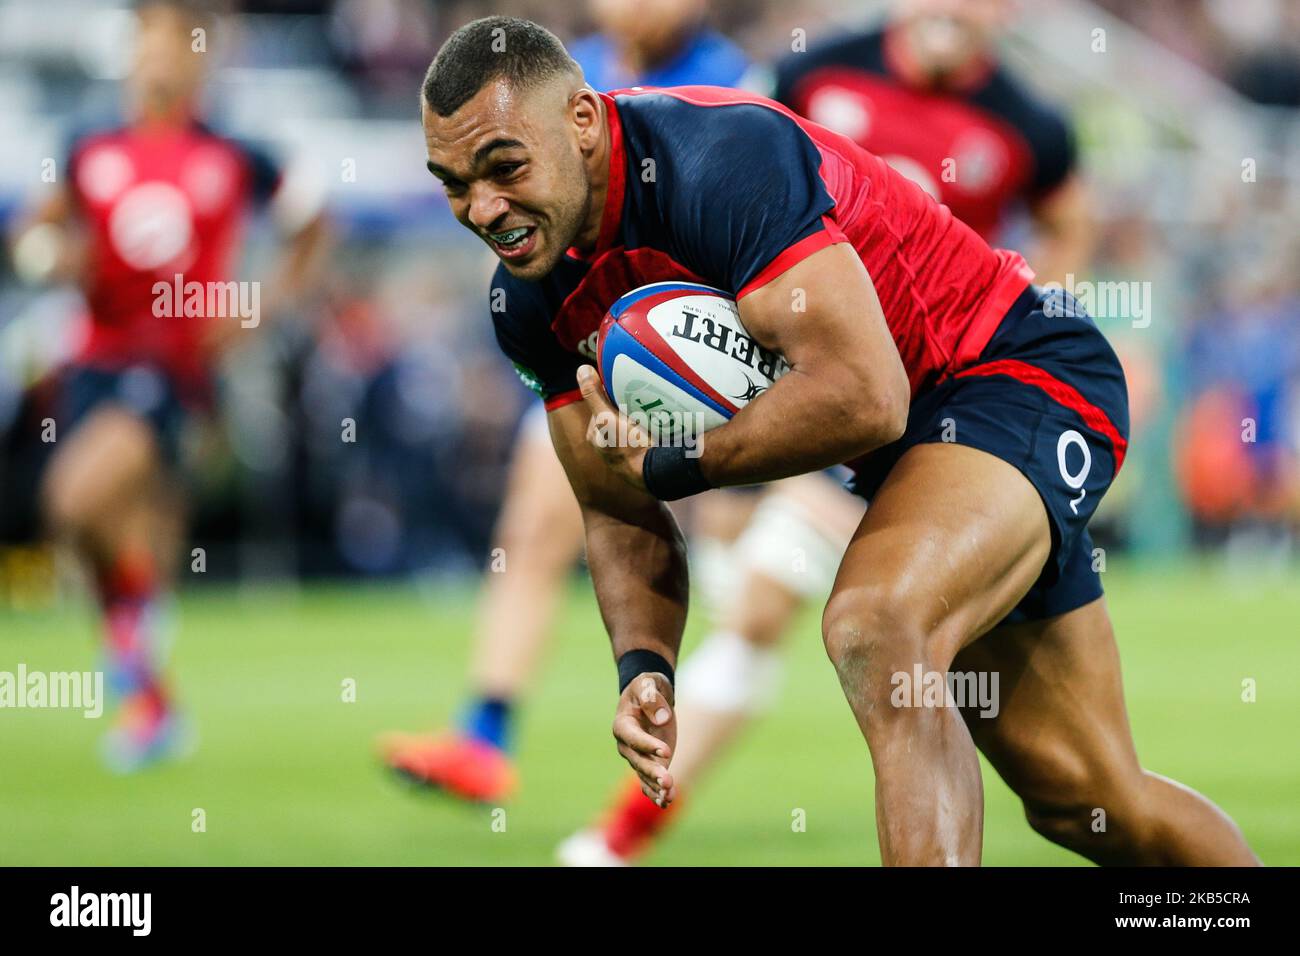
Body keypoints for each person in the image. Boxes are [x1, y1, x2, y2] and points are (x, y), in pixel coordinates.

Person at [418, 16, 1258, 865]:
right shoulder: (528, 300)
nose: (483, 209)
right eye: (453, 183)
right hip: (909, 457)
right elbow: (613, 506)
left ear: (584, 124)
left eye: (505, 167)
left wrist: (682, 462)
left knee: (876, 621)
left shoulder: (716, 157)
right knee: (1089, 802)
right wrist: (645, 665)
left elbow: (866, 395)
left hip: (1014, 373)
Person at [561, 0, 1101, 865]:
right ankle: (616, 837)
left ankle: (613, 841)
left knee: (1079, 792)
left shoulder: (1029, 122)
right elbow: (736, 176)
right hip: (819, 389)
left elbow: (1069, 221)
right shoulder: (820, 70)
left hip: (952, 391)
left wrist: (1043, 293)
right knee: (800, 616)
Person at [378, 0, 749, 803]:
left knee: (753, 577)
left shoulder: (730, 80)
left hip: (714, 367)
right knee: (539, 525)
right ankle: (486, 732)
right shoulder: (549, 74)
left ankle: (710, 694)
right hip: (590, 357)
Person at [10, 0, 327, 771]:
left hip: (173, 370)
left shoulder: (233, 153)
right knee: (117, 538)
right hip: (91, 361)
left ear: (202, 58)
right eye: (148, 42)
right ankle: (152, 702)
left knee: (73, 500)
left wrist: (254, 307)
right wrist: (49, 257)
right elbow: (34, 232)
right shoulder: (90, 146)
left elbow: (310, 225)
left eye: (175, 44)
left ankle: (138, 633)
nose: (160, 59)